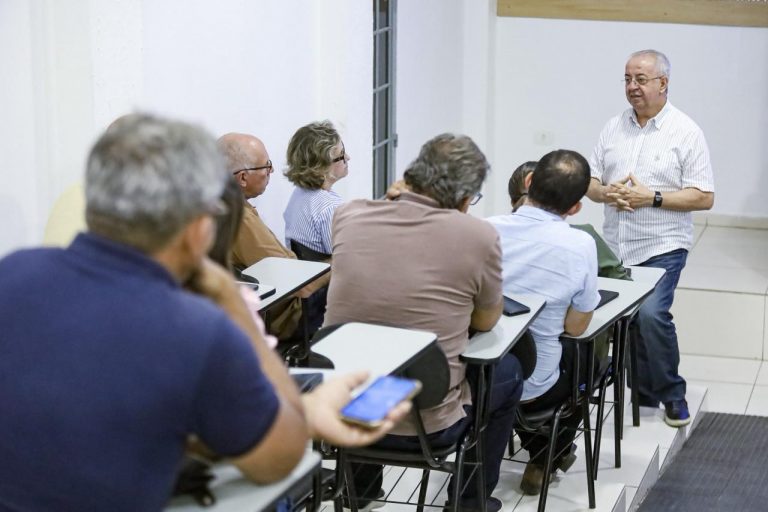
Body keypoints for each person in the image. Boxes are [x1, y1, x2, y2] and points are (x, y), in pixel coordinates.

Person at [0, 113, 407, 512]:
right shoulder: (197, 328)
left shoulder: (14, 272)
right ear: (199, 225)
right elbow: (276, 459)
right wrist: (308, 410)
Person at [325, 133, 523, 512]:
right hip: (427, 425)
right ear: (464, 198)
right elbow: (486, 320)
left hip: (346, 410)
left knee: (373, 354)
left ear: (410, 176)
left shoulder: (347, 215)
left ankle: (359, 491)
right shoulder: (478, 235)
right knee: (509, 371)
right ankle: (468, 503)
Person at [587, 49, 715, 427]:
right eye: (627, 79)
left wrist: (652, 198)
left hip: (662, 245)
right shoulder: (613, 127)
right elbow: (590, 181)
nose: (632, 87)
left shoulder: (686, 131)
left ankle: (673, 394)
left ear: (663, 83)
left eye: (641, 79)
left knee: (651, 314)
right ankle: (642, 391)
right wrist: (606, 192)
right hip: (616, 246)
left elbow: (704, 196)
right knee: (621, 319)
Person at [487, 149, 601, 496]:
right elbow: (576, 327)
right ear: (576, 208)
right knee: (590, 358)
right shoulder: (580, 245)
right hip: (536, 386)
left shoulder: (484, 229)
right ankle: (544, 457)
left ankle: (540, 452)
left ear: (528, 181)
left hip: (479, 377)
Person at [217, 133, 328, 347]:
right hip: (287, 317)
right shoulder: (240, 219)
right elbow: (293, 280)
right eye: (266, 166)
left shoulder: (212, 207)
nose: (271, 171)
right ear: (242, 178)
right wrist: (337, 264)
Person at [283, 120, 349, 256]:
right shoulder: (330, 208)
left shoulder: (298, 194)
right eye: (342, 154)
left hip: (300, 267)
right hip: (325, 270)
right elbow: (343, 260)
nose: (348, 158)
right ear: (321, 167)